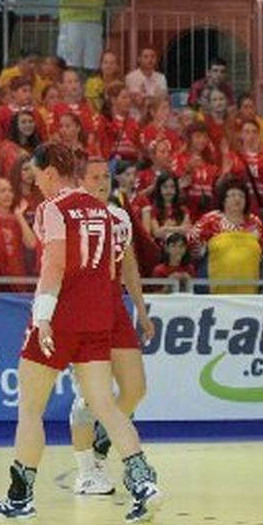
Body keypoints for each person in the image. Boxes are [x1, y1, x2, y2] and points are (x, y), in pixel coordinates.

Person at [0, 143, 163, 523]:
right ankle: (143, 481)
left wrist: (43, 316)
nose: (35, 185)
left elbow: (53, 264)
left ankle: (20, 498)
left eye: (35, 176)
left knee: (30, 409)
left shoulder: (53, 209)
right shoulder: (104, 211)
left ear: (50, 171)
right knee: (106, 405)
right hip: (98, 318)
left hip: (61, 316)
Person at [68, 158, 155, 495]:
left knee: (135, 389)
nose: (102, 182)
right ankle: (86, 471)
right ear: (81, 180)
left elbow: (129, 268)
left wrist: (142, 311)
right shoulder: (71, 216)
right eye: (95, 177)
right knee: (90, 396)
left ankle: (102, 441)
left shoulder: (119, 216)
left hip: (115, 307)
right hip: (84, 309)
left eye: (106, 176)